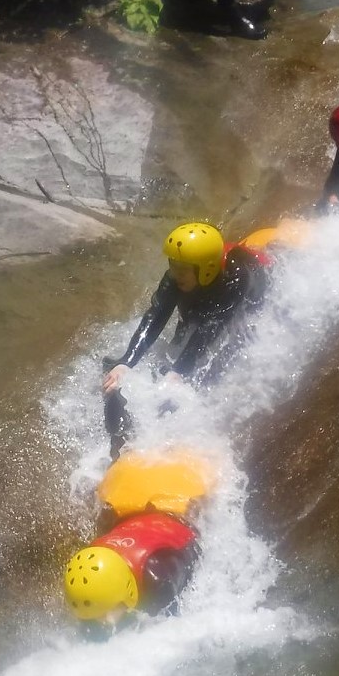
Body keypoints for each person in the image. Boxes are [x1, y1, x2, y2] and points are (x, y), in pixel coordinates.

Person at [101, 222, 271, 456]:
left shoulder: (236, 278)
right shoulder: (176, 275)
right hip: (208, 288)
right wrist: (126, 362)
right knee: (189, 319)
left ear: (207, 269)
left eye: (182, 268)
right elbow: (156, 315)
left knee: (233, 337)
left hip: (252, 294)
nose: (174, 272)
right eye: (173, 264)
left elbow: (210, 328)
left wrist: (179, 370)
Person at [63, 450, 212, 626]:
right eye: (96, 617)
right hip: (136, 511)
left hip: (177, 514)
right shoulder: (92, 559)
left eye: (106, 614)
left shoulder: (159, 581)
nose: (104, 622)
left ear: (126, 594)